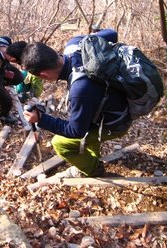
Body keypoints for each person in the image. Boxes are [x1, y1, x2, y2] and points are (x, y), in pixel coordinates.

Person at [21, 29, 131, 177]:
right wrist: (94, 35)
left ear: (43, 74)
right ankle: (93, 153)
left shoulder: (79, 90)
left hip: (116, 122)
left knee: (60, 144)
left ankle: (93, 169)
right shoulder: (75, 44)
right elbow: (111, 33)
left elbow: (76, 131)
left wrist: (41, 119)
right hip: (116, 103)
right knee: (87, 118)